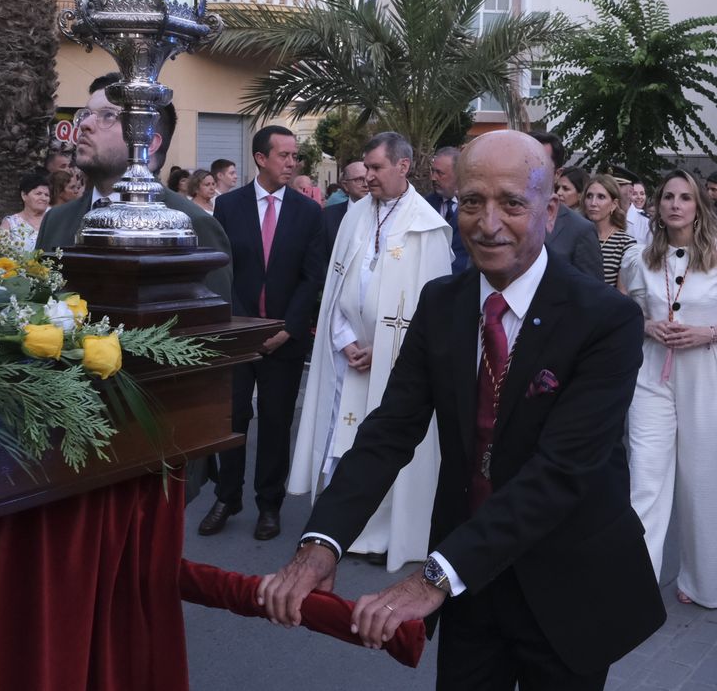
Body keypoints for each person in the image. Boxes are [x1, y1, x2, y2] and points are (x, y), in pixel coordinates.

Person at [259, 131, 664, 690]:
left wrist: (431, 578)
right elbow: (390, 431)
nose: (487, 222)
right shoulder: (442, 303)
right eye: (472, 201)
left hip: (566, 582)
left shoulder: (604, 318)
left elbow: (563, 470)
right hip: (471, 587)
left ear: (550, 211)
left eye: (512, 203)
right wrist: (320, 543)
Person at [289, 132, 452, 571]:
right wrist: (345, 340)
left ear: (403, 166)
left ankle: (384, 534)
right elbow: (335, 288)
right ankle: (341, 527)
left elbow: (434, 310)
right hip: (349, 355)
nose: (368, 176)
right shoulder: (355, 215)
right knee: (342, 436)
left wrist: (386, 350)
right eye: (366, 168)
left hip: (397, 361)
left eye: (377, 168)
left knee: (385, 440)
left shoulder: (428, 226)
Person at [622, 169, 717, 609]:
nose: (675, 204)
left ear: (700, 205)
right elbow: (626, 311)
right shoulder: (640, 258)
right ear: (657, 207)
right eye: (667, 197)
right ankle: (635, 588)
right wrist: (647, 325)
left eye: (685, 197)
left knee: (701, 481)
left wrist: (706, 333)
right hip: (651, 375)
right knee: (645, 478)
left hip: (707, 372)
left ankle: (702, 584)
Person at [201, 125, 325, 541]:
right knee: (234, 417)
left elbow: (312, 278)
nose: (292, 163)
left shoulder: (309, 213)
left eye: (295, 156)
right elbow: (223, 271)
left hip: (285, 340)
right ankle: (227, 496)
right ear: (261, 158)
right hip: (239, 337)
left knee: (275, 423)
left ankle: (268, 504)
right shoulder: (229, 207)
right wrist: (242, 326)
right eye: (284, 155)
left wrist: (288, 329)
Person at [37, 73, 231, 303]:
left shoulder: (192, 223)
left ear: (148, 142)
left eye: (108, 115)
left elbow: (213, 325)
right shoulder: (56, 220)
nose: (86, 125)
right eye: (86, 115)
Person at [528, 131, 604, 281]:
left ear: (557, 173)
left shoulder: (580, 230)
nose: (529, 170)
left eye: (538, 163)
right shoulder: (494, 219)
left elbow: (591, 293)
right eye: (524, 161)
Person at [581, 174, 636, 289]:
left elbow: (622, 294)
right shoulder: (576, 235)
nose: (593, 203)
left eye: (601, 197)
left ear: (614, 204)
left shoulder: (625, 244)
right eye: (589, 196)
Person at [423, 146, 470, 275]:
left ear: (458, 174)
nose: (433, 178)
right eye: (433, 171)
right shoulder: (424, 205)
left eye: (440, 173)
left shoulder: (474, 205)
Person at [0, 171, 51, 252]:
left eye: (46, 195)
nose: (43, 198)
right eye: (38, 193)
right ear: (24, 195)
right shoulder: (10, 223)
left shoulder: (54, 220)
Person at [324, 160, 368, 253]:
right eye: (359, 180)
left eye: (368, 179)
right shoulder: (328, 216)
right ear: (345, 185)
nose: (366, 184)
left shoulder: (385, 213)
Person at [616, 177, 651, 244]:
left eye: (642, 193)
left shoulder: (647, 223)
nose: (639, 197)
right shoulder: (601, 217)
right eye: (635, 194)